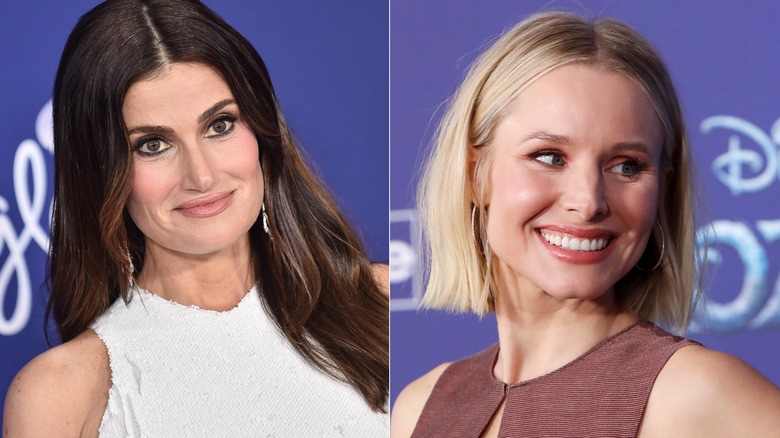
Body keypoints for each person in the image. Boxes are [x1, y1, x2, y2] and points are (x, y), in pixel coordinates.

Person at [3, 0, 389, 436]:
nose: (201, 176)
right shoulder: (60, 394)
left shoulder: (380, 304)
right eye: (152, 145)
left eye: (220, 125)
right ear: (100, 172)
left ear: (262, 133)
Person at [391, 11, 780, 437]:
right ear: (474, 175)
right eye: (550, 157)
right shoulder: (420, 407)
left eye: (627, 166)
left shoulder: (700, 396)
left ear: (663, 190)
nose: (588, 201)